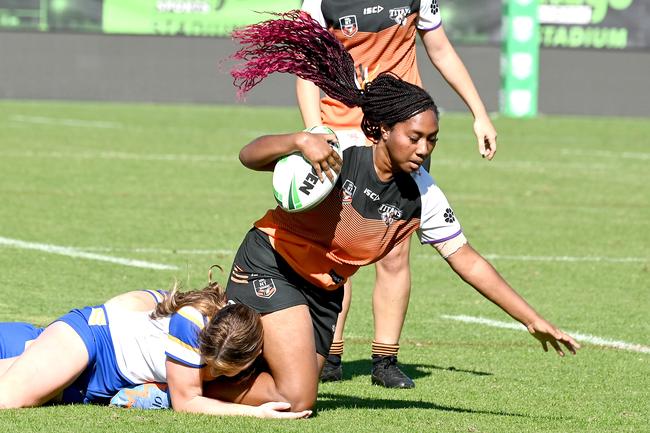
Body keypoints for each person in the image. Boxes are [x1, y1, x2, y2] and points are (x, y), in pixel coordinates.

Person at [217, 11, 579, 412]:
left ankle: (202, 371)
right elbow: (248, 155)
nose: (424, 149)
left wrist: (530, 318)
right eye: (414, 137)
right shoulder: (340, 154)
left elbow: (467, 259)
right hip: (272, 265)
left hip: (324, 293)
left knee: (291, 389)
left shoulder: (422, 192)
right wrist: (300, 139)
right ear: (383, 131)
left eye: (432, 140)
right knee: (299, 398)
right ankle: (177, 384)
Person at [296, 0, 499, 388]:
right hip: (341, 130)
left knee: (394, 248)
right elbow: (308, 68)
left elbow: (439, 47)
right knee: (336, 244)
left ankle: (385, 361)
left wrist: (479, 112)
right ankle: (331, 354)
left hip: (402, 134)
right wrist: (315, 129)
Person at [0, 273, 311, 419]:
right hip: (91, 343)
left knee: (21, 375)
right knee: (9, 399)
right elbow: (187, 403)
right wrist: (258, 414)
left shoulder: (240, 334)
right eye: (210, 364)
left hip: (94, 382)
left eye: (223, 371)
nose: (212, 373)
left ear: (254, 354)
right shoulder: (191, 323)